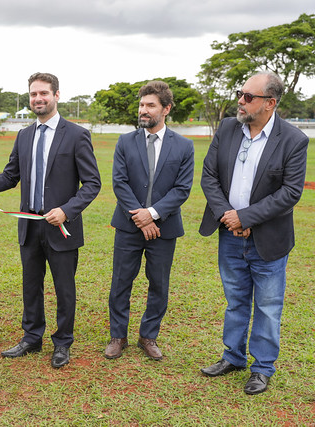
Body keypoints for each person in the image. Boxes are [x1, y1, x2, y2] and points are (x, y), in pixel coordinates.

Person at [0, 72, 100, 368]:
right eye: (34, 94)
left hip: (61, 227)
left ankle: (62, 343)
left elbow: (91, 184)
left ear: (57, 95)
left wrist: (67, 210)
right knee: (30, 284)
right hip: (29, 225)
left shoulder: (76, 135)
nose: (38, 99)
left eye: (44, 94)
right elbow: (11, 176)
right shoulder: (24, 135)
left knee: (64, 288)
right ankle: (31, 337)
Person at [199, 72, 309, 395]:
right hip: (229, 235)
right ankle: (232, 356)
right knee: (235, 301)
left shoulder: (293, 140)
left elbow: (290, 193)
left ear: (270, 103)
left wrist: (246, 217)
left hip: (268, 241)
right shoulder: (228, 128)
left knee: (268, 305)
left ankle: (262, 368)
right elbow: (209, 176)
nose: (241, 100)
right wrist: (228, 216)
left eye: (248, 96)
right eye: (240, 93)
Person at [104, 81, 194, 361]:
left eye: (150, 105)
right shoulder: (125, 142)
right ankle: (118, 336)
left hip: (164, 229)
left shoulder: (184, 146)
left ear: (166, 109)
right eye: (142, 105)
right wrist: (141, 218)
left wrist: (153, 214)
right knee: (121, 282)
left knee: (159, 284)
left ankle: (148, 336)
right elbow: (119, 183)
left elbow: (182, 189)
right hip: (128, 226)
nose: (143, 110)